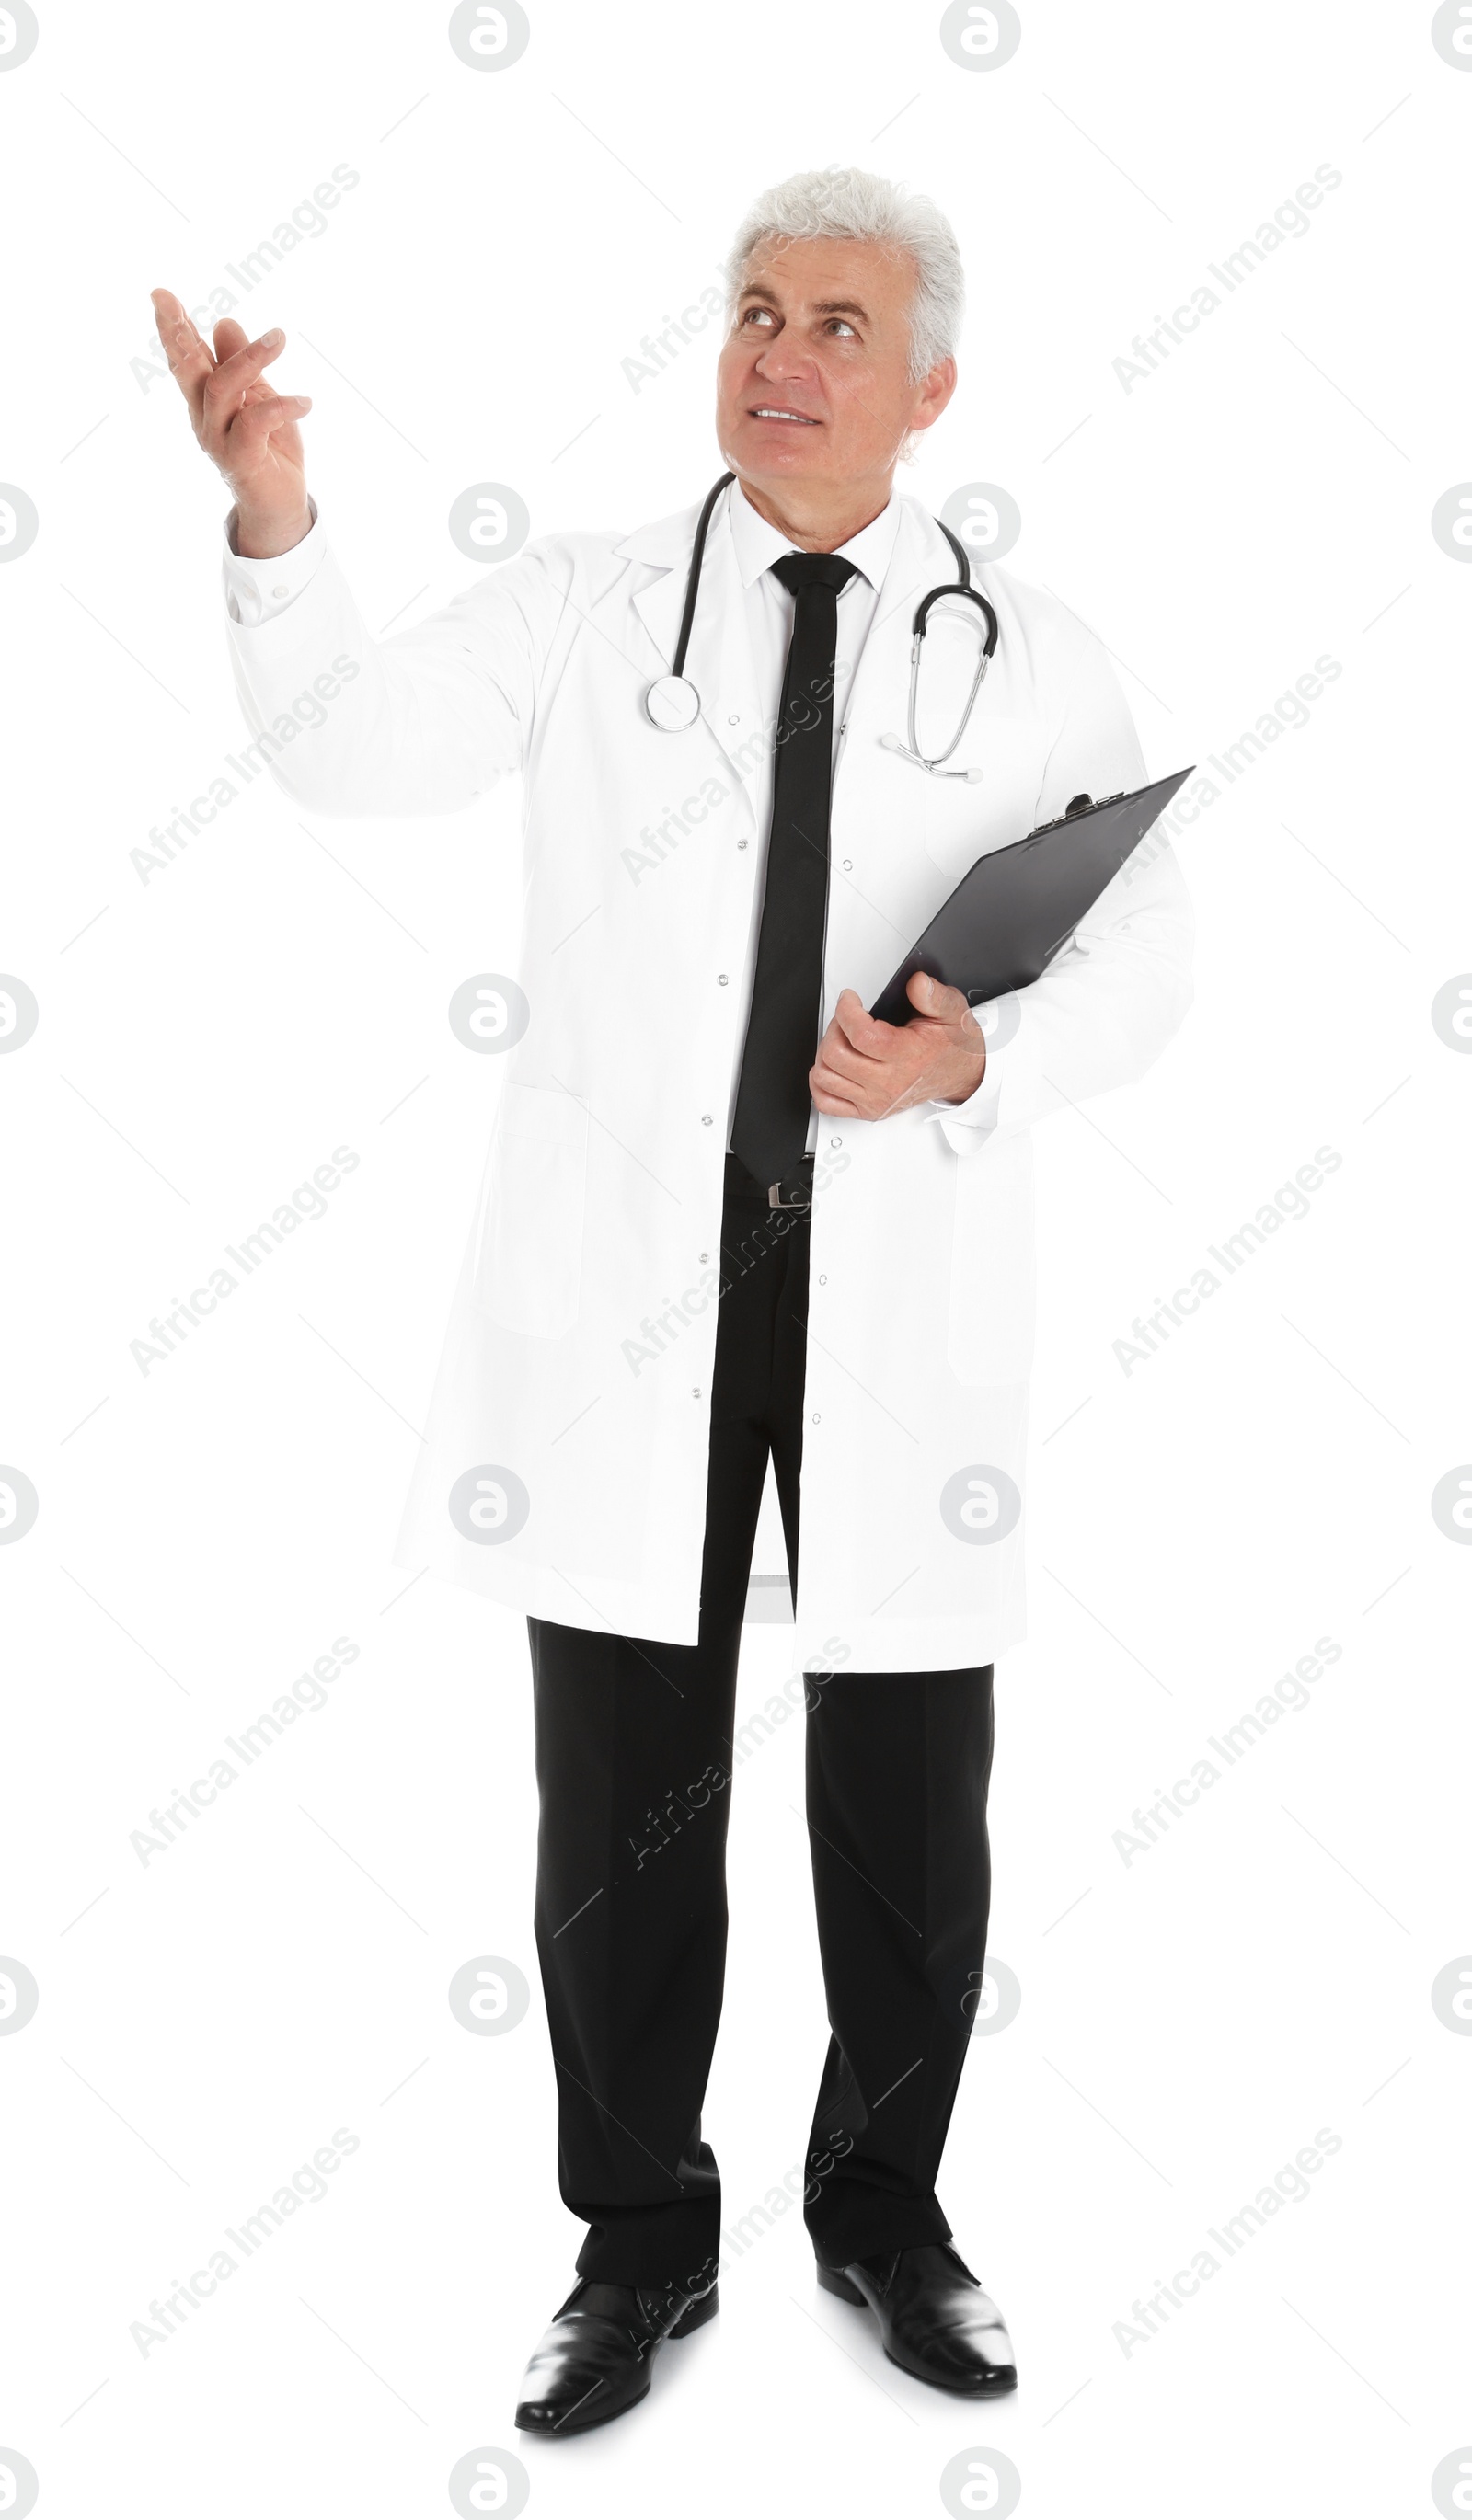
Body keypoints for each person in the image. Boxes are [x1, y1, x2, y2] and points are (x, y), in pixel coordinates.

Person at [153, 164, 1192, 2435]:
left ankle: (884, 2214)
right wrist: (275, 519)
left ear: (929, 385)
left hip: (896, 1292)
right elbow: (347, 747)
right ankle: (635, 2238)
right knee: (621, 1791)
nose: (779, 354)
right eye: (750, 308)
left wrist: (976, 1050)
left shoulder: (1033, 652)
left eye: (834, 324)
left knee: (908, 1801)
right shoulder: (584, 605)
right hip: (637, 1298)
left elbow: (1151, 955)